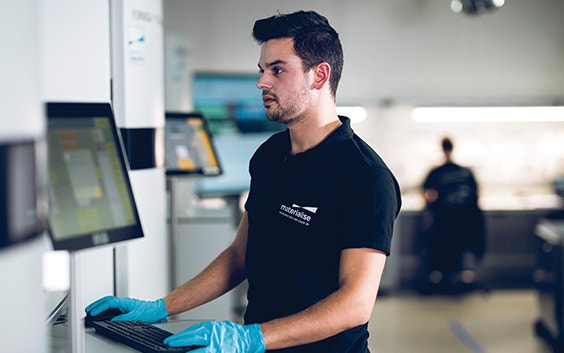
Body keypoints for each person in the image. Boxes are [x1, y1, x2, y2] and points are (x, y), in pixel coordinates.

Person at [86, 10, 401, 353]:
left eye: (277, 69)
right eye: (262, 70)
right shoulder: (270, 155)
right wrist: (161, 307)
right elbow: (239, 255)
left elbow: (355, 303)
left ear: (319, 75)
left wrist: (251, 337)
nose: (262, 82)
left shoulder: (365, 177)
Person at [419, 136, 486, 294]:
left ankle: (446, 281)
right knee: (458, 252)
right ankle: (456, 281)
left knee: (442, 252)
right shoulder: (465, 172)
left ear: (442, 149)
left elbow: (427, 194)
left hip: (444, 222)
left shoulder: (436, 172)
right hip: (464, 222)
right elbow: (477, 195)